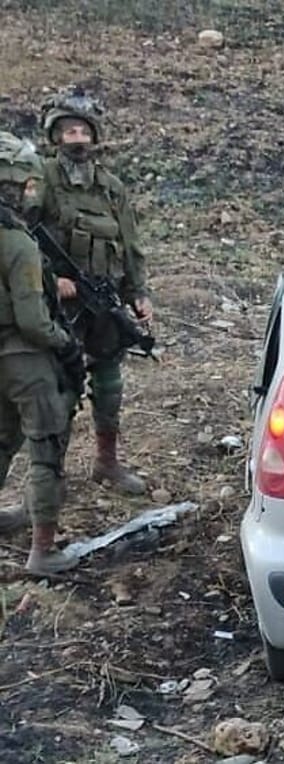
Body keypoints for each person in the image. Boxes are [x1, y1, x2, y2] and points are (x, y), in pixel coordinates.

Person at [33, 88, 150, 495]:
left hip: (104, 300)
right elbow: (19, 235)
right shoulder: (43, 179)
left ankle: (107, 462)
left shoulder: (111, 187)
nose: (77, 138)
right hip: (60, 305)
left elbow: (130, 244)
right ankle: (50, 477)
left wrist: (139, 293)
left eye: (83, 130)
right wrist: (51, 280)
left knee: (109, 383)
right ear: (56, 137)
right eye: (68, 131)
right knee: (59, 389)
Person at [0, 131, 85, 573]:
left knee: (1, 441)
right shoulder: (17, 244)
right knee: (45, 447)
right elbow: (32, 321)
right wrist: (64, 343)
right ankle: (43, 550)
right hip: (24, 359)